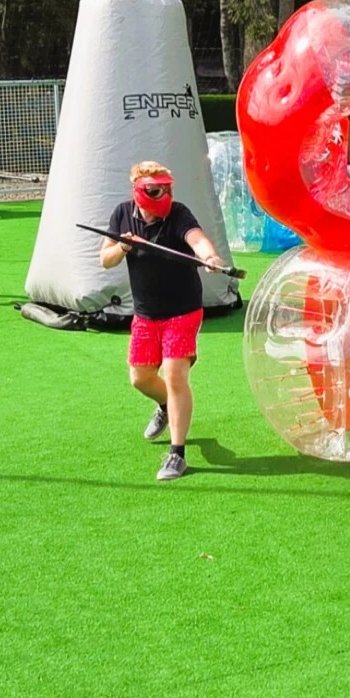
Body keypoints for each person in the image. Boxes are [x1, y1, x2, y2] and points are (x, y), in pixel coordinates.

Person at [100, 161, 226, 482]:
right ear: (140, 192)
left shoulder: (179, 214)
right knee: (140, 378)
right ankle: (166, 407)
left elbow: (196, 239)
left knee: (174, 375)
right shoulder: (122, 214)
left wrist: (209, 257)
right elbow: (105, 259)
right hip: (146, 313)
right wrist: (123, 246)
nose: (164, 195)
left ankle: (177, 453)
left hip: (183, 311)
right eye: (157, 191)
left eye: (167, 189)